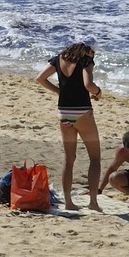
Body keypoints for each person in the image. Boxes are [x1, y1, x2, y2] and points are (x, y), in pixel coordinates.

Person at [35, 37, 102, 212]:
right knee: (95, 158)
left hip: (64, 112)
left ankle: (68, 202)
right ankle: (93, 203)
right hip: (82, 112)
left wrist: (60, 91)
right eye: (93, 52)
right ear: (89, 50)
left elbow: (40, 78)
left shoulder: (59, 58)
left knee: (69, 159)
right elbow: (88, 84)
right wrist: (98, 92)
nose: (93, 55)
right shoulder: (86, 60)